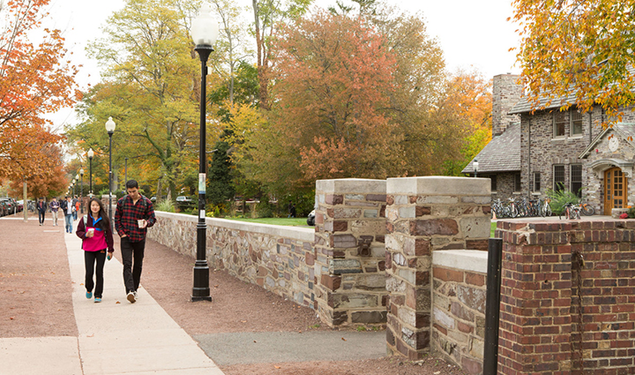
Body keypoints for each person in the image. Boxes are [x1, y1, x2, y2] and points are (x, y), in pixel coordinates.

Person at [115, 180, 156, 303]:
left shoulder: (146, 202)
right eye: (130, 191)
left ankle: (135, 289)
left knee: (137, 265)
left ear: (138, 189)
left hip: (139, 237)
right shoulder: (122, 202)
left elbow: (152, 218)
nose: (132, 194)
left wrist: (147, 223)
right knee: (127, 264)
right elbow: (117, 219)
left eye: (134, 191)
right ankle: (130, 291)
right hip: (126, 237)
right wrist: (121, 234)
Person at [76, 198, 114, 303]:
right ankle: (89, 288)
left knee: (99, 272)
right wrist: (85, 235)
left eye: (97, 205)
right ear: (90, 207)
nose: (95, 207)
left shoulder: (104, 220)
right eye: (93, 205)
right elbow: (78, 231)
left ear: (100, 207)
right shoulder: (85, 219)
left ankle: (98, 294)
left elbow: (109, 236)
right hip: (88, 249)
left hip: (101, 249)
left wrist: (110, 250)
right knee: (89, 272)